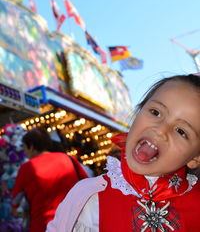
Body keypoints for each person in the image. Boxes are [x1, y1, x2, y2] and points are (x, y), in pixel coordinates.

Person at [46, 73, 200, 232]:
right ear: (138, 112)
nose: (161, 130)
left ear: (196, 157)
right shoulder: (90, 196)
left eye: (181, 131)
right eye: (155, 112)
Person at [12, 127, 88, 232]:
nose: (24, 152)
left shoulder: (27, 167)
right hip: (73, 224)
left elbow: (15, 202)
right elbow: (88, 185)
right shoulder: (68, 159)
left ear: (32, 146)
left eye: (24, 147)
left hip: (42, 226)